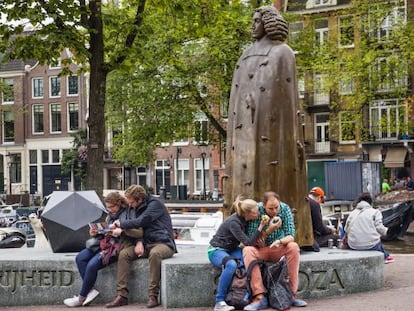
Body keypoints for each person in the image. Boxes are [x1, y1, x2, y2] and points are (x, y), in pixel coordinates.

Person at [224, 5, 310, 247]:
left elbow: (286, 98)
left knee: (272, 170)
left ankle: (291, 234)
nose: (252, 26)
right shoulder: (244, 55)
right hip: (243, 129)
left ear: (268, 23)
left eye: (256, 21)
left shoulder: (283, 52)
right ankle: (239, 237)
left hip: (273, 130)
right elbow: (236, 95)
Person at [63, 192, 143, 307]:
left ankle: (82, 297)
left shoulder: (129, 213)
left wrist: (122, 230)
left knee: (92, 265)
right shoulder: (109, 216)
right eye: (108, 207)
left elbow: (139, 232)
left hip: (117, 246)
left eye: (112, 207)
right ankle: (90, 291)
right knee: (80, 258)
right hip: (104, 243)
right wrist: (95, 232)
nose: (110, 210)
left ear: (119, 203)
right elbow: (105, 231)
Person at [107, 185, 176, 309]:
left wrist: (121, 224)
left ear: (140, 199)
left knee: (155, 254)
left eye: (132, 202)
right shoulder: (136, 206)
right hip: (146, 243)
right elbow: (141, 230)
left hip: (163, 243)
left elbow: (141, 221)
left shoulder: (155, 204)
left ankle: (153, 296)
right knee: (124, 254)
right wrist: (139, 242)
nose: (130, 205)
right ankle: (121, 295)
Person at [243, 192, 307, 310]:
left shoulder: (285, 208)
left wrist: (280, 241)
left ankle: (291, 293)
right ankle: (259, 296)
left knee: (293, 247)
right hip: (261, 249)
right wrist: (269, 230)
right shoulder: (256, 210)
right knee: (248, 250)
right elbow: (251, 239)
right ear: (263, 205)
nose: (274, 211)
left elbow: (291, 235)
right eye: (271, 208)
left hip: (278, 247)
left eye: (276, 207)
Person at [208, 197, 267, 311]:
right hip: (216, 250)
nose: (259, 214)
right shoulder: (234, 222)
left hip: (231, 249)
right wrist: (261, 227)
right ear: (247, 213)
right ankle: (219, 302)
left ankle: (243, 294)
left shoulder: (244, 220)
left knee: (248, 261)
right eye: (256, 212)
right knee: (231, 265)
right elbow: (248, 242)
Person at [345, 192, 395, 264]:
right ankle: (385, 256)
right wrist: (388, 231)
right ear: (370, 202)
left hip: (353, 245)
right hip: (371, 246)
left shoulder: (352, 213)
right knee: (378, 242)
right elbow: (380, 228)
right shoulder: (375, 212)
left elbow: (346, 229)